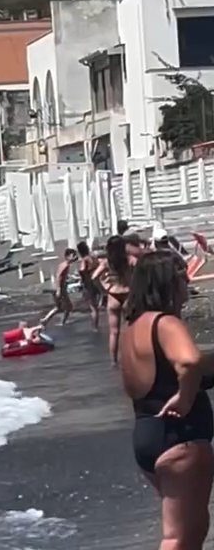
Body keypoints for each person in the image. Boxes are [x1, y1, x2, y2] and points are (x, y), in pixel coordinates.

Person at [120, 250, 214, 549]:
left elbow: (182, 369)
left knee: (193, 528)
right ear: (166, 282)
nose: (187, 279)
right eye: (181, 274)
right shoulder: (166, 323)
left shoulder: (133, 328)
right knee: (177, 537)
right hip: (180, 437)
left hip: (149, 434)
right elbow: (188, 362)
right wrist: (186, 399)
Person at [98, 234, 145, 366]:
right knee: (131, 328)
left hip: (113, 295)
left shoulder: (107, 262)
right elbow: (141, 271)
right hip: (127, 294)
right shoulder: (129, 259)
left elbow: (94, 276)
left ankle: (113, 362)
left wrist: (105, 288)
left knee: (114, 332)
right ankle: (132, 358)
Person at [41, 248, 76, 327]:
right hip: (60, 288)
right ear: (68, 256)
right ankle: (62, 323)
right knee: (69, 307)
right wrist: (59, 289)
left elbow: (61, 276)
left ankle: (45, 319)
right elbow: (59, 276)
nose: (75, 257)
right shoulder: (66, 265)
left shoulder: (63, 264)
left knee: (59, 307)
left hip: (58, 287)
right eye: (73, 255)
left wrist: (68, 279)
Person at [77, 240, 101, 331]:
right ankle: (96, 326)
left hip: (88, 284)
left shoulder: (84, 260)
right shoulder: (93, 258)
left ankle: (95, 328)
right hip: (96, 283)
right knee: (96, 306)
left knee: (93, 308)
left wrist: (81, 276)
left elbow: (83, 270)